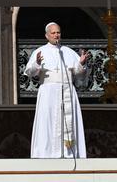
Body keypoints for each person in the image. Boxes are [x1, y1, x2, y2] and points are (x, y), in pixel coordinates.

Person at [23, 22, 89, 158]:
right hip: (49, 93)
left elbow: (79, 74)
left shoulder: (68, 51)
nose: (56, 35)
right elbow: (30, 72)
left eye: (58, 32)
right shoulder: (40, 52)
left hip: (68, 91)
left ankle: (69, 153)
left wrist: (81, 64)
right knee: (48, 122)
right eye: (53, 33)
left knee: (69, 123)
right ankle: (47, 154)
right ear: (46, 35)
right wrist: (37, 64)